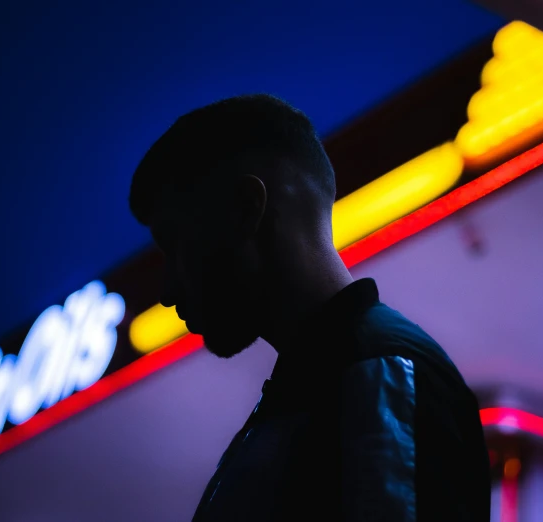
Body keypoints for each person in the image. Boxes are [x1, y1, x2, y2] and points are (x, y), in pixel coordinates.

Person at [129, 94, 491, 521]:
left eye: (176, 247)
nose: (168, 290)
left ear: (247, 209)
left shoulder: (376, 370)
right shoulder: (339, 380)